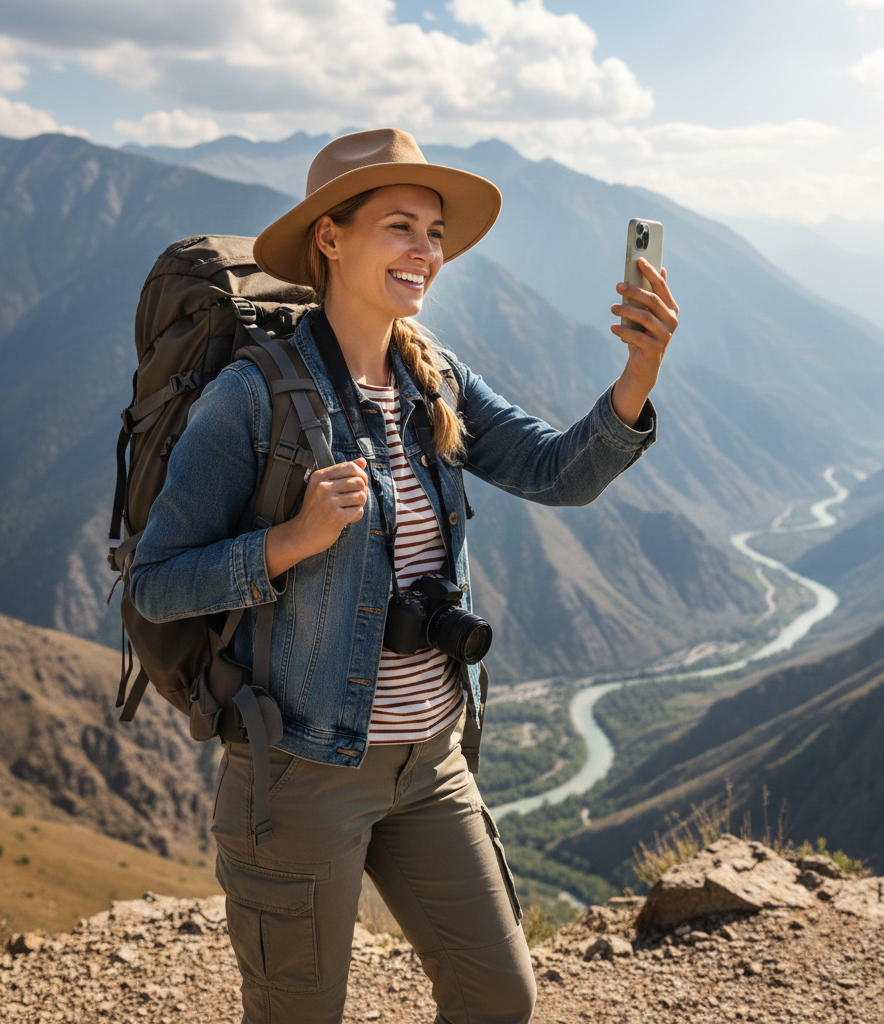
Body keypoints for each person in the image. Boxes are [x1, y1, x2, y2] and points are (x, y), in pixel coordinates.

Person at [130, 128, 678, 1024]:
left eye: (434, 233)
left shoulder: (436, 378)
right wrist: (291, 541)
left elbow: (557, 473)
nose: (426, 250)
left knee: (499, 997)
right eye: (400, 227)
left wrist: (639, 374)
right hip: (303, 771)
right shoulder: (250, 398)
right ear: (330, 237)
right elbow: (154, 584)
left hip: (434, 762)